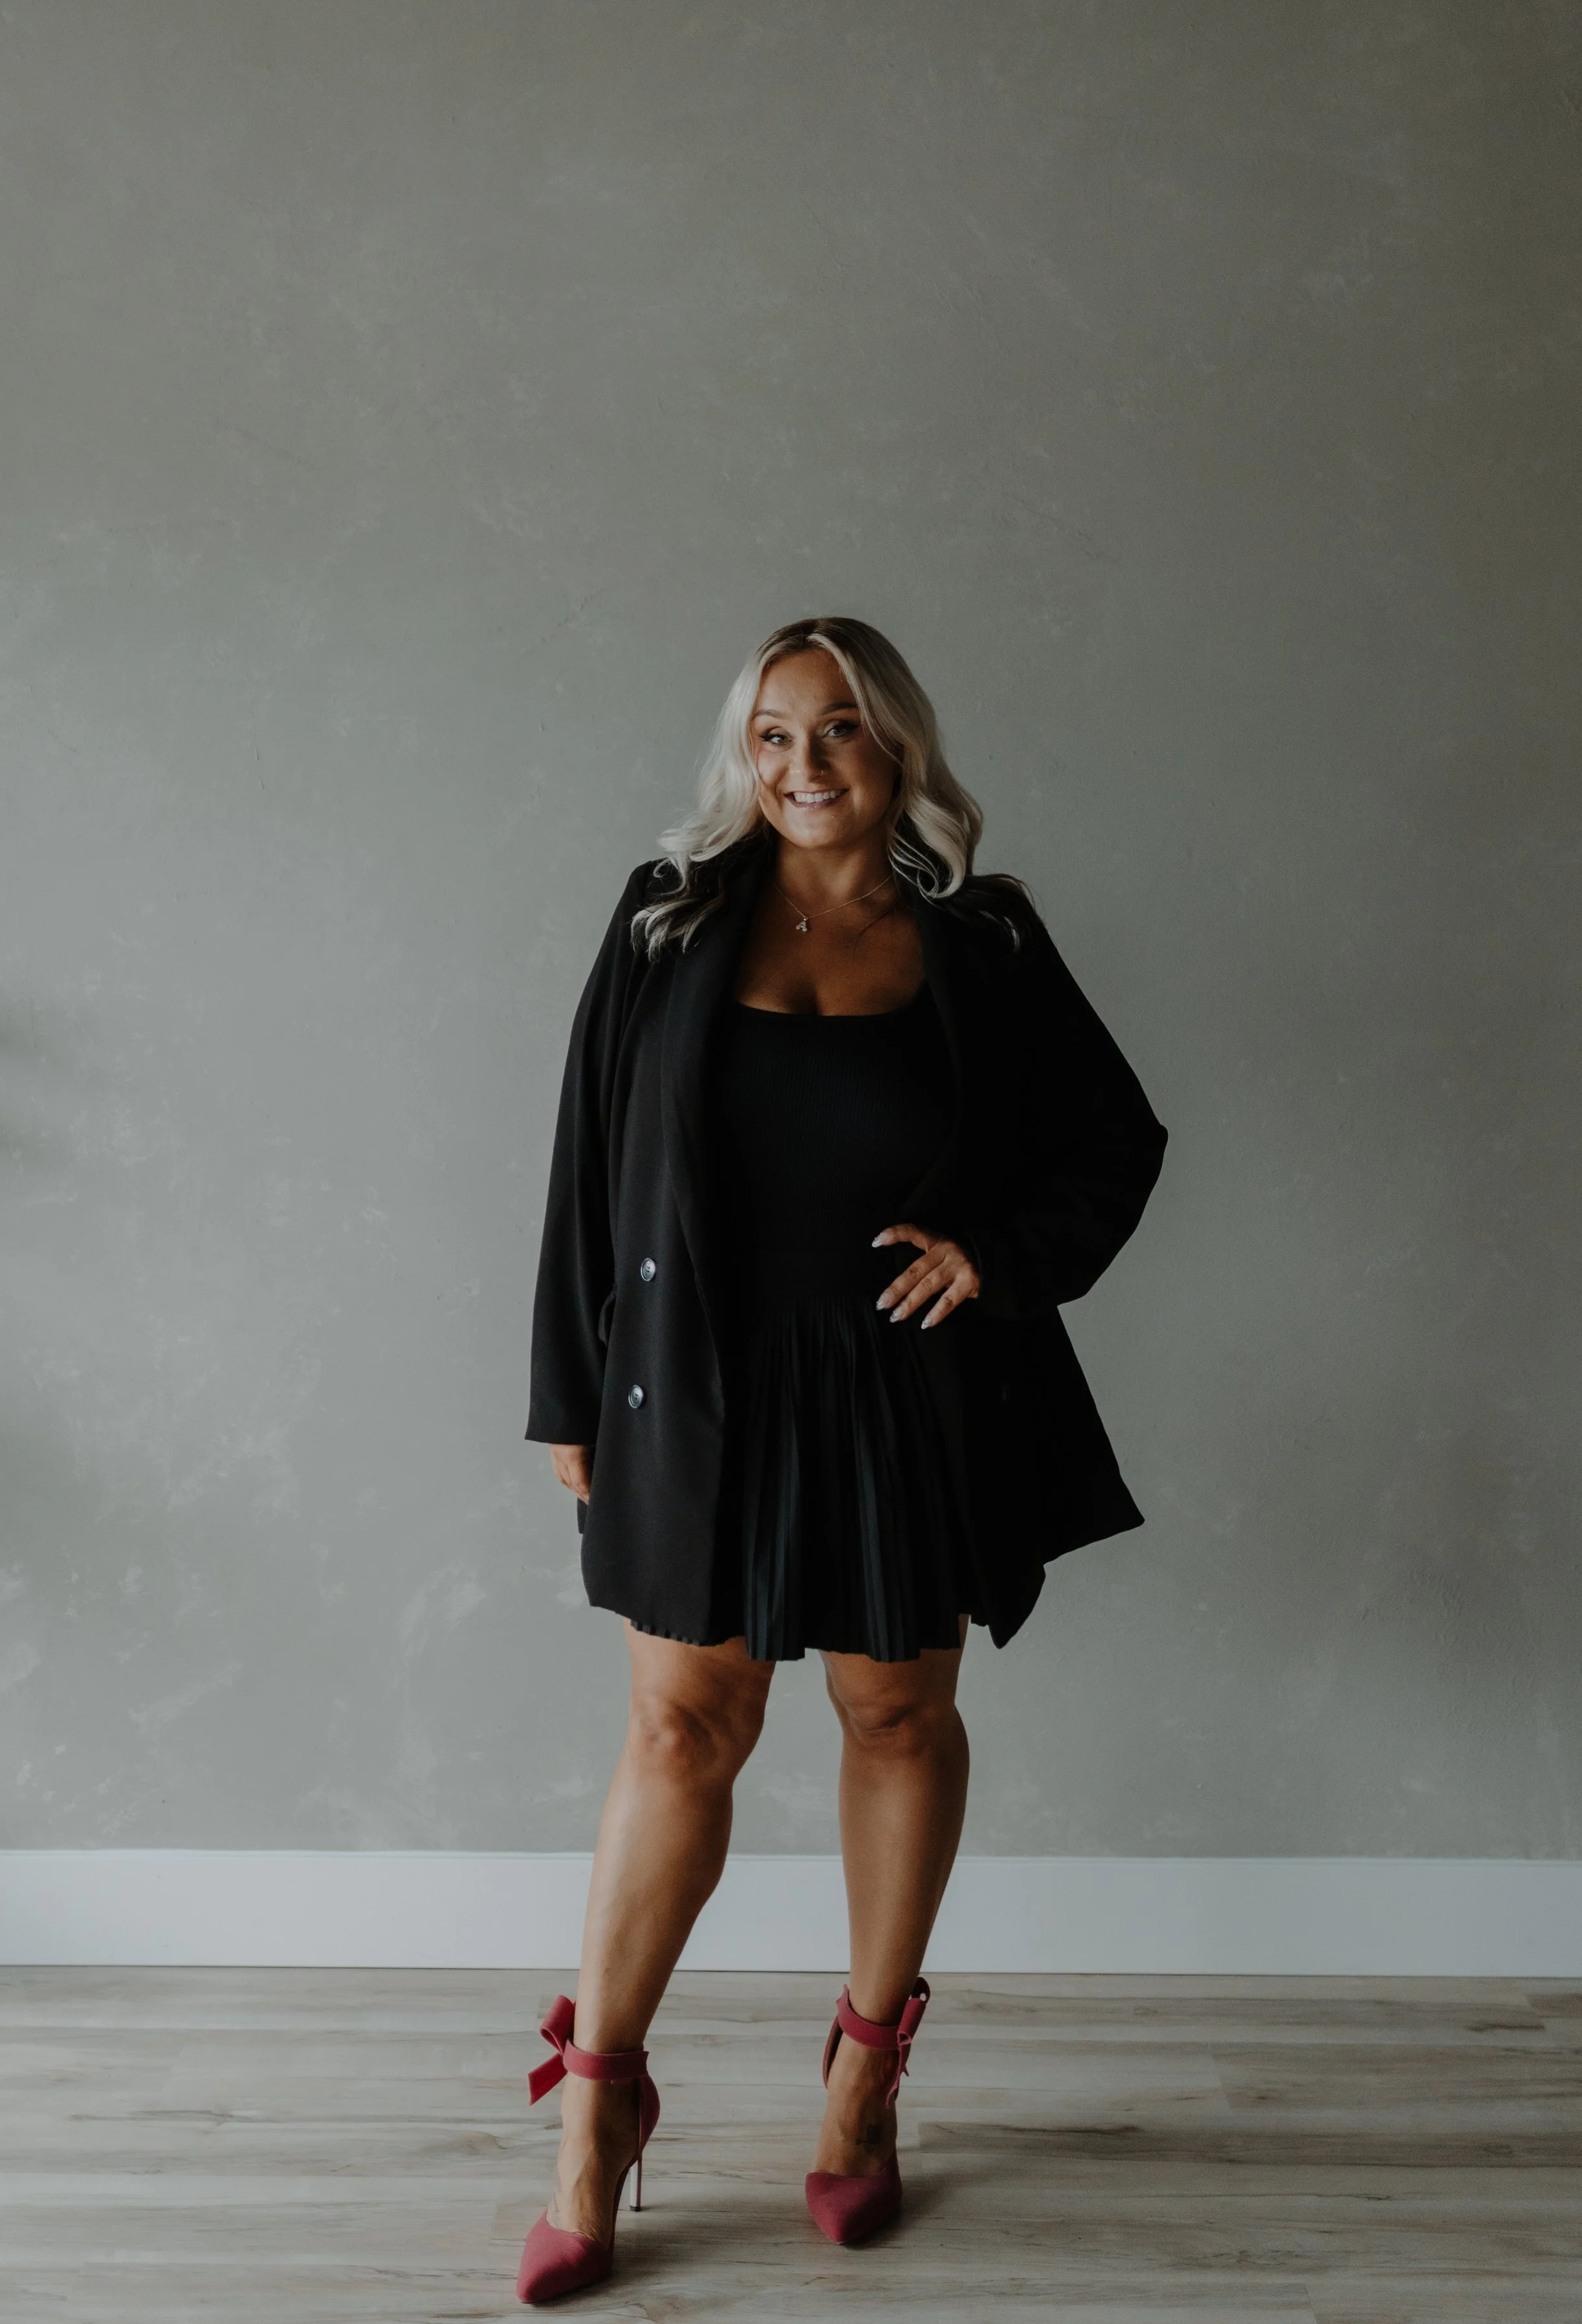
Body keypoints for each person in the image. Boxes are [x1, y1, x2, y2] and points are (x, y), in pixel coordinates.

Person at [515, 616, 1168, 2303]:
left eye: (842, 733)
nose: (802, 765)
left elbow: (1115, 1136)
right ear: (743, 751)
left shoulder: (982, 938)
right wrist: (568, 1397)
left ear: (900, 754)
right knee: (680, 1722)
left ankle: (865, 2075)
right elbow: (586, 1164)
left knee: (895, 1710)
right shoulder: (663, 919)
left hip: (904, 1392)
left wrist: (997, 1258)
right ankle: (594, 2106)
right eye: (774, 732)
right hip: (696, 1388)